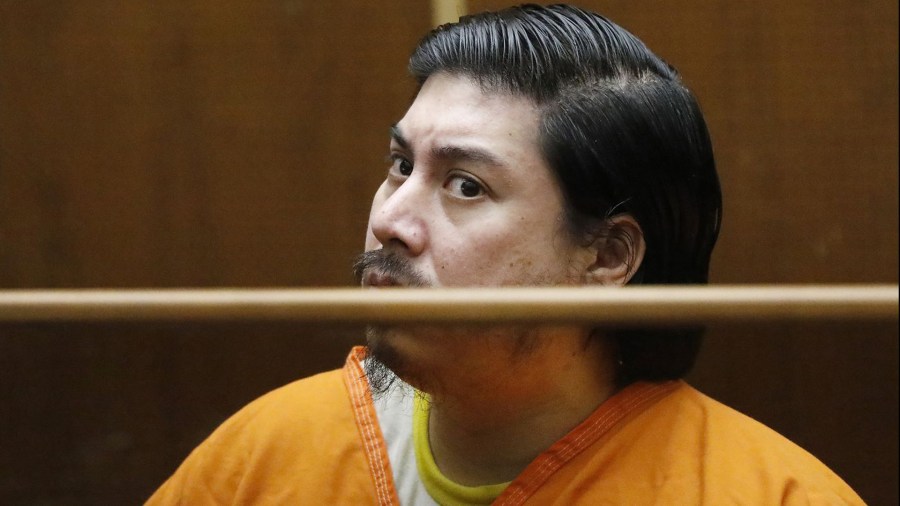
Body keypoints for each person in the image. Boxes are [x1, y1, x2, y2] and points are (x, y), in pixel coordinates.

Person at [148, 4, 863, 504]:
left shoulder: (769, 494)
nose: (392, 219)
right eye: (400, 165)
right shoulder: (260, 457)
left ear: (608, 257)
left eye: (465, 185)